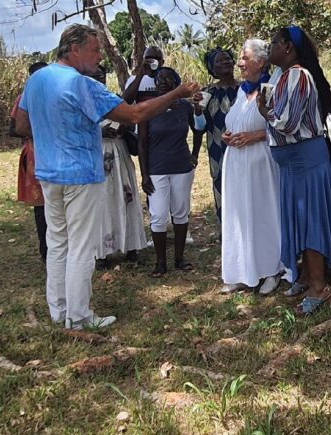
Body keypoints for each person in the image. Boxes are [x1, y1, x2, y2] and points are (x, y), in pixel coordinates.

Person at [14, 25, 199, 330]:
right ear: (74, 49)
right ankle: (79, 316)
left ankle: (58, 309)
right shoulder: (81, 84)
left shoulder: (37, 79)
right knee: (83, 247)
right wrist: (178, 93)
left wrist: (54, 134)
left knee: (57, 242)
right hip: (80, 176)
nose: (99, 57)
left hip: (48, 173)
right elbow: (135, 114)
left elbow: (21, 124)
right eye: (95, 50)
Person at [257, 25, 331, 316]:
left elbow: (288, 123)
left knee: (310, 220)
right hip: (294, 164)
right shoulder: (282, 77)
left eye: (273, 43)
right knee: (299, 217)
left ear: (288, 48)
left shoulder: (298, 75)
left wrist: (264, 112)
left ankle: (320, 288)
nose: (269, 49)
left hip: (305, 161)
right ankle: (306, 277)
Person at [219, 39, 284, 295]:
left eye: (245, 58)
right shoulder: (240, 91)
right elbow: (236, 119)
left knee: (264, 213)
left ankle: (271, 269)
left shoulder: (272, 87)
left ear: (261, 61)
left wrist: (255, 136)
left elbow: (281, 125)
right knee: (239, 214)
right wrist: (229, 134)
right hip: (236, 161)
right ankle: (242, 270)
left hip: (260, 161)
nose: (240, 63)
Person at [139, 67, 198, 278]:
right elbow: (142, 144)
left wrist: (195, 154)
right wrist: (144, 174)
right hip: (157, 169)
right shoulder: (148, 108)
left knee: (181, 212)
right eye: (159, 78)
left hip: (181, 166)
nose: (163, 81)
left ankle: (179, 259)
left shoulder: (185, 107)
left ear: (176, 82)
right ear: (154, 83)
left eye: (169, 78)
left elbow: (197, 129)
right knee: (159, 215)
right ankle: (160, 262)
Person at [90, 67, 148, 269]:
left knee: (126, 196)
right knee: (102, 200)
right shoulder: (83, 102)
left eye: (102, 76)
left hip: (119, 151)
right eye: (94, 76)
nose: (99, 79)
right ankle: (102, 252)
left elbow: (130, 117)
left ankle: (131, 246)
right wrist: (99, 132)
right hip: (97, 154)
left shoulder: (113, 98)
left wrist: (123, 127)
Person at [193, 48, 240, 224]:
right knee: (224, 190)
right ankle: (227, 236)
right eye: (219, 61)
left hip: (244, 147)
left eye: (227, 59)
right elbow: (200, 126)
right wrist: (197, 110)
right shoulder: (208, 94)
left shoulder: (246, 90)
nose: (225, 62)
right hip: (218, 151)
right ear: (212, 69)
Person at [10, 61, 50, 262]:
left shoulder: (54, 96)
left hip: (56, 153)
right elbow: (14, 129)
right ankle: (46, 251)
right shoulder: (23, 99)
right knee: (41, 206)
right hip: (35, 155)